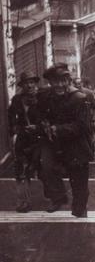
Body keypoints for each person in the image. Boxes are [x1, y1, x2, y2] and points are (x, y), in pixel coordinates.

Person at [37, 63, 94, 217]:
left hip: (76, 145)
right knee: (45, 167)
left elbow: (83, 127)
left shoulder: (79, 99)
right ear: (50, 82)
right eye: (56, 81)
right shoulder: (44, 96)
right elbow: (40, 114)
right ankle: (59, 197)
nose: (60, 85)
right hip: (54, 143)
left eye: (64, 80)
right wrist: (44, 124)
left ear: (68, 80)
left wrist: (58, 129)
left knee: (79, 183)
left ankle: (79, 210)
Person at [8, 72, 42, 213]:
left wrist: (38, 127)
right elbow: (10, 115)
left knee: (41, 169)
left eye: (32, 82)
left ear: (35, 83)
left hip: (39, 139)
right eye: (26, 83)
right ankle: (24, 202)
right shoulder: (17, 99)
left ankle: (49, 195)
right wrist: (14, 128)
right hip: (23, 138)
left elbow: (48, 116)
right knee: (21, 171)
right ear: (22, 86)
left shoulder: (41, 98)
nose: (29, 85)